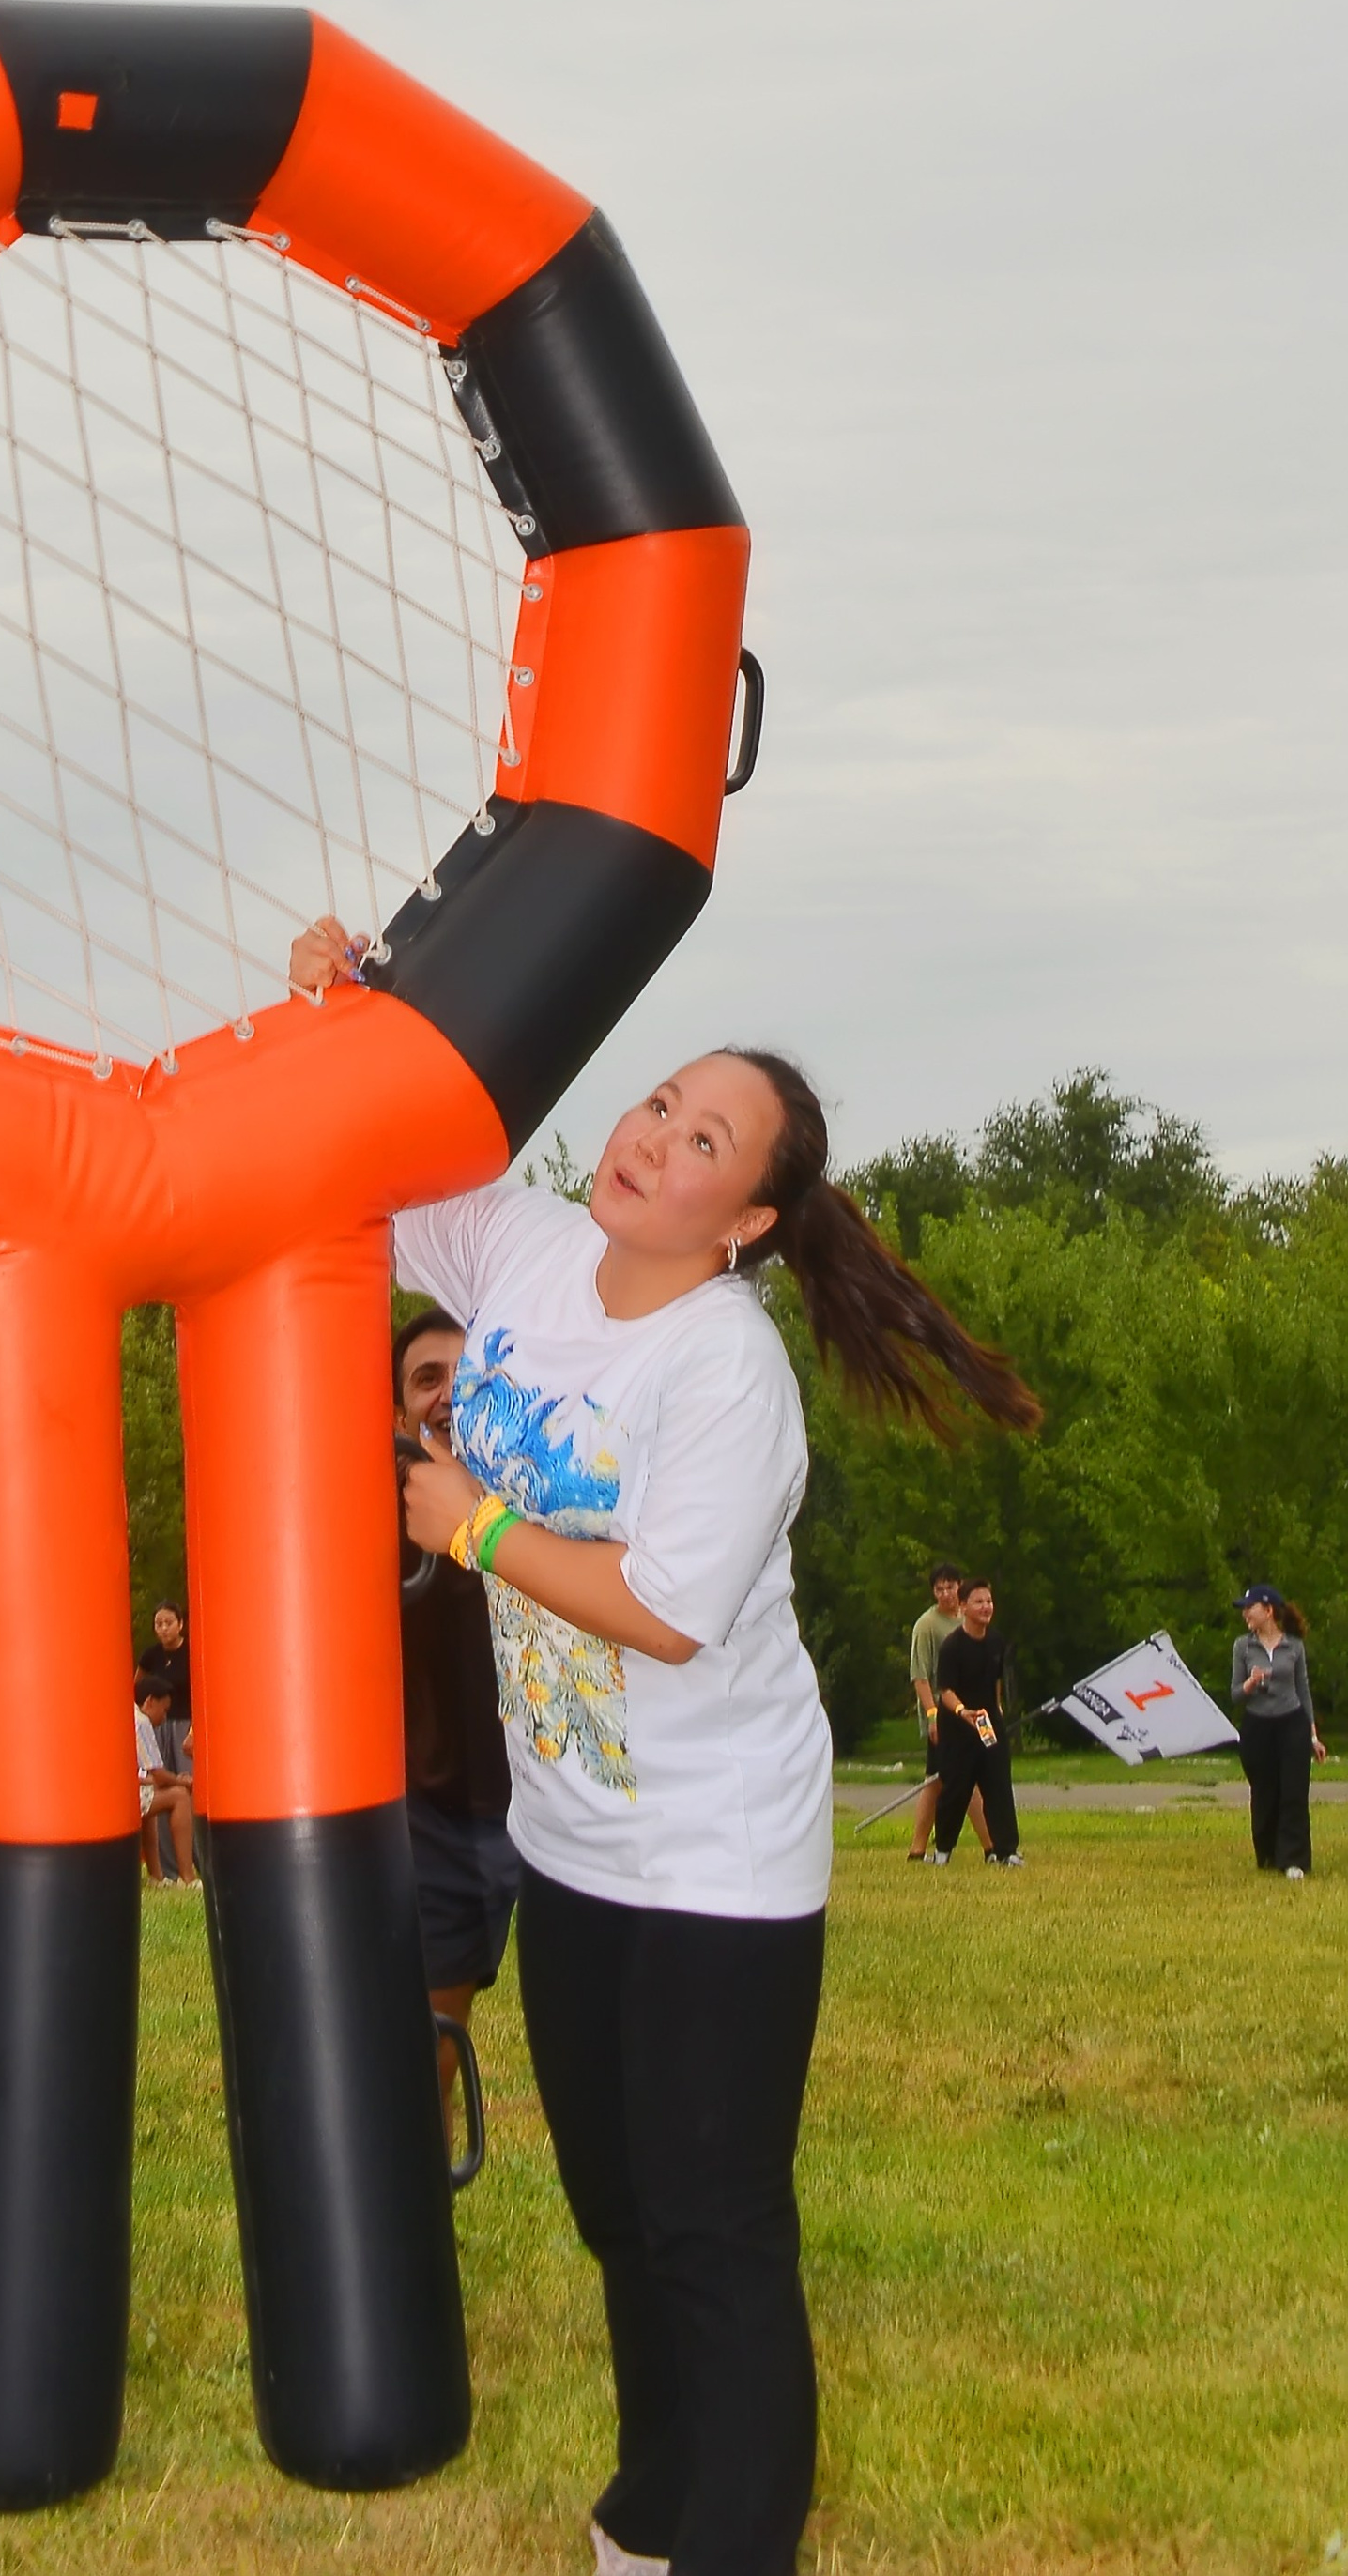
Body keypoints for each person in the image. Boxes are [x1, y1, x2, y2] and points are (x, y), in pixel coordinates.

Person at [294, 919, 1039, 2576]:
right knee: (620, 2217)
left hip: (717, 1861)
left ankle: (736, 2544)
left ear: (753, 1218)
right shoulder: (525, 1253)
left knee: (714, 2229)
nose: (651, 1142)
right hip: (572, 1850)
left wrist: (474, 1524)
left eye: (705, 1141)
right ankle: (655, 2520)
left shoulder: (723, 1369)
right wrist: (350, 999)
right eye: (655, 1107)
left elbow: (671, 1609)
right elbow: (370, 1152)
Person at [394, 1303, 522, 2111]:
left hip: (550, 1806)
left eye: (460, 1374)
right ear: (397, 1408)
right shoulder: (383, 1506)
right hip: (435, 1812)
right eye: (425, 1379)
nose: (445, 1394)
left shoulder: (540, 1497)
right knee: (429, 2047)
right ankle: (415, 2227)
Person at [1232, 1584, 1325, 1878]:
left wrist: (1313, 1736)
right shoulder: (1242, 1646)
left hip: (1292, 1723)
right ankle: (1269, 1855)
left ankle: (1294, 1859)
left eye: (1251, 1607)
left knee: (1294, 1791)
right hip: (1258, 1725)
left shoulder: (1293, 1646)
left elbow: (1303, 1691)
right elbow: (1235, 1694)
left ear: (1268, 1610)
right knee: (1265, 1791)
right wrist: (1249, 1684)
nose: (1246, 1613)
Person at [931, 1579, 1023, 1867]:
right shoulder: (952, 1647)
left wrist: (995, 1713)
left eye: (989, 1602)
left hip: (988, 1724)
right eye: (979, 1602)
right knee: (956, 1789)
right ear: (963, 1607)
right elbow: (945, 1691)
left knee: (998, 1785)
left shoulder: (996, 1641)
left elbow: (995, 1682)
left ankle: (1006, 1851)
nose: (986, 1607)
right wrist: (962, 1712)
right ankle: (943, 1851)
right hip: (958, 1726)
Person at [906, 1561, 992, 1864]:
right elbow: (921, 1676)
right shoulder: (927, 1626)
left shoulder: (970, 1620)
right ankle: (922, 1849)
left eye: (950, 1587)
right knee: (940, 1779)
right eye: (939, 1589)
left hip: (974, 1714)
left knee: (960, 1778)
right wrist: (932, 1716)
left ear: (961, 1587)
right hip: (945, 1716)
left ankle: (991, 1846)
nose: (945, 1594)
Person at [135, 1677, 196, 1882]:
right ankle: (187, 1876)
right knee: (179, 1797)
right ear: (150, 1702)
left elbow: (143, 1777)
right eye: (164, 1710)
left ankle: (156, 1875)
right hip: (125, 1798)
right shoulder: (141, 1722)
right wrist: (182, 1781)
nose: (164, 1717)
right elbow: (159, 1775)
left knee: (151, 1801)